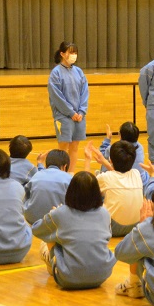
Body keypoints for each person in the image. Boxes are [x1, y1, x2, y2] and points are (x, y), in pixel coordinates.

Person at [31, 171, 116, 290]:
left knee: (49, 239)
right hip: (102, 275)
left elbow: (36, 229)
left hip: (68, 278)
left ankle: (54, 269)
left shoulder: (61, 213)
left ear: (71, 191)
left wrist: (53, 215)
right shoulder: (104, 213)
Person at [48, 41, 88, 172]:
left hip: (79, 116)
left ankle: (70, 173)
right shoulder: (56, 73)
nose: (74, 55)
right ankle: (60, 174)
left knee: (75, 147)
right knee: (63, 148)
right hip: (63, 116)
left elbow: (84, 92)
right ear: (62, 54)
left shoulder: (79, 72)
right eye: (71, 52)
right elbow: (57, 97)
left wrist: (81, 111)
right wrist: (71, 113)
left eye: (75, 52)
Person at [23, 149, 73, 225]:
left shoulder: (37, 175)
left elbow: (25, 195)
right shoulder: (69, 178)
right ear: (65, 166)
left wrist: (39, 163)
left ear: (47, 165)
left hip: (32, 219)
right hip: (57, 221)